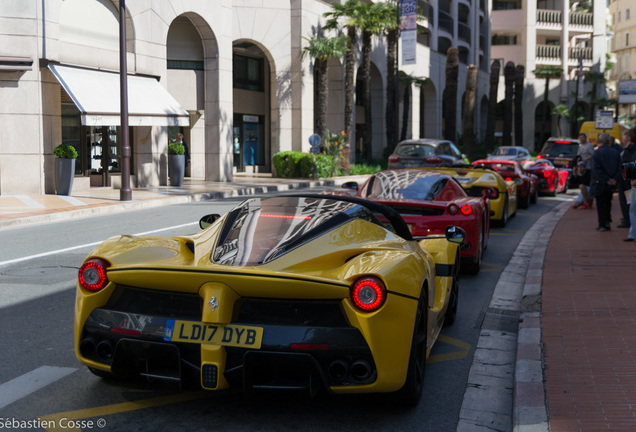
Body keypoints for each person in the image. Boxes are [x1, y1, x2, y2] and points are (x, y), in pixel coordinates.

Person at [590, 133, 623, 231]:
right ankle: (607, 221)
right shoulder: (615, 152)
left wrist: (606, 179)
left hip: (600, 182)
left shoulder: (597, 153)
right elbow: (619, 167)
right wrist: (614, 179)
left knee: (600, 203)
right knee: (608, 202)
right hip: (611, 182)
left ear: (599, 141)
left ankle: (602, 223)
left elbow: (596, 169)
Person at [618, 129, 636, 228]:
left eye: (624, 137)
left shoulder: (630, 149)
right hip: (626, 179)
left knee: (628, 202)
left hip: (628, 180)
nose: (622, 139)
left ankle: (628, 221)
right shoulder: (626, 149)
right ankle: (627, 219)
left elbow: (629, 163)